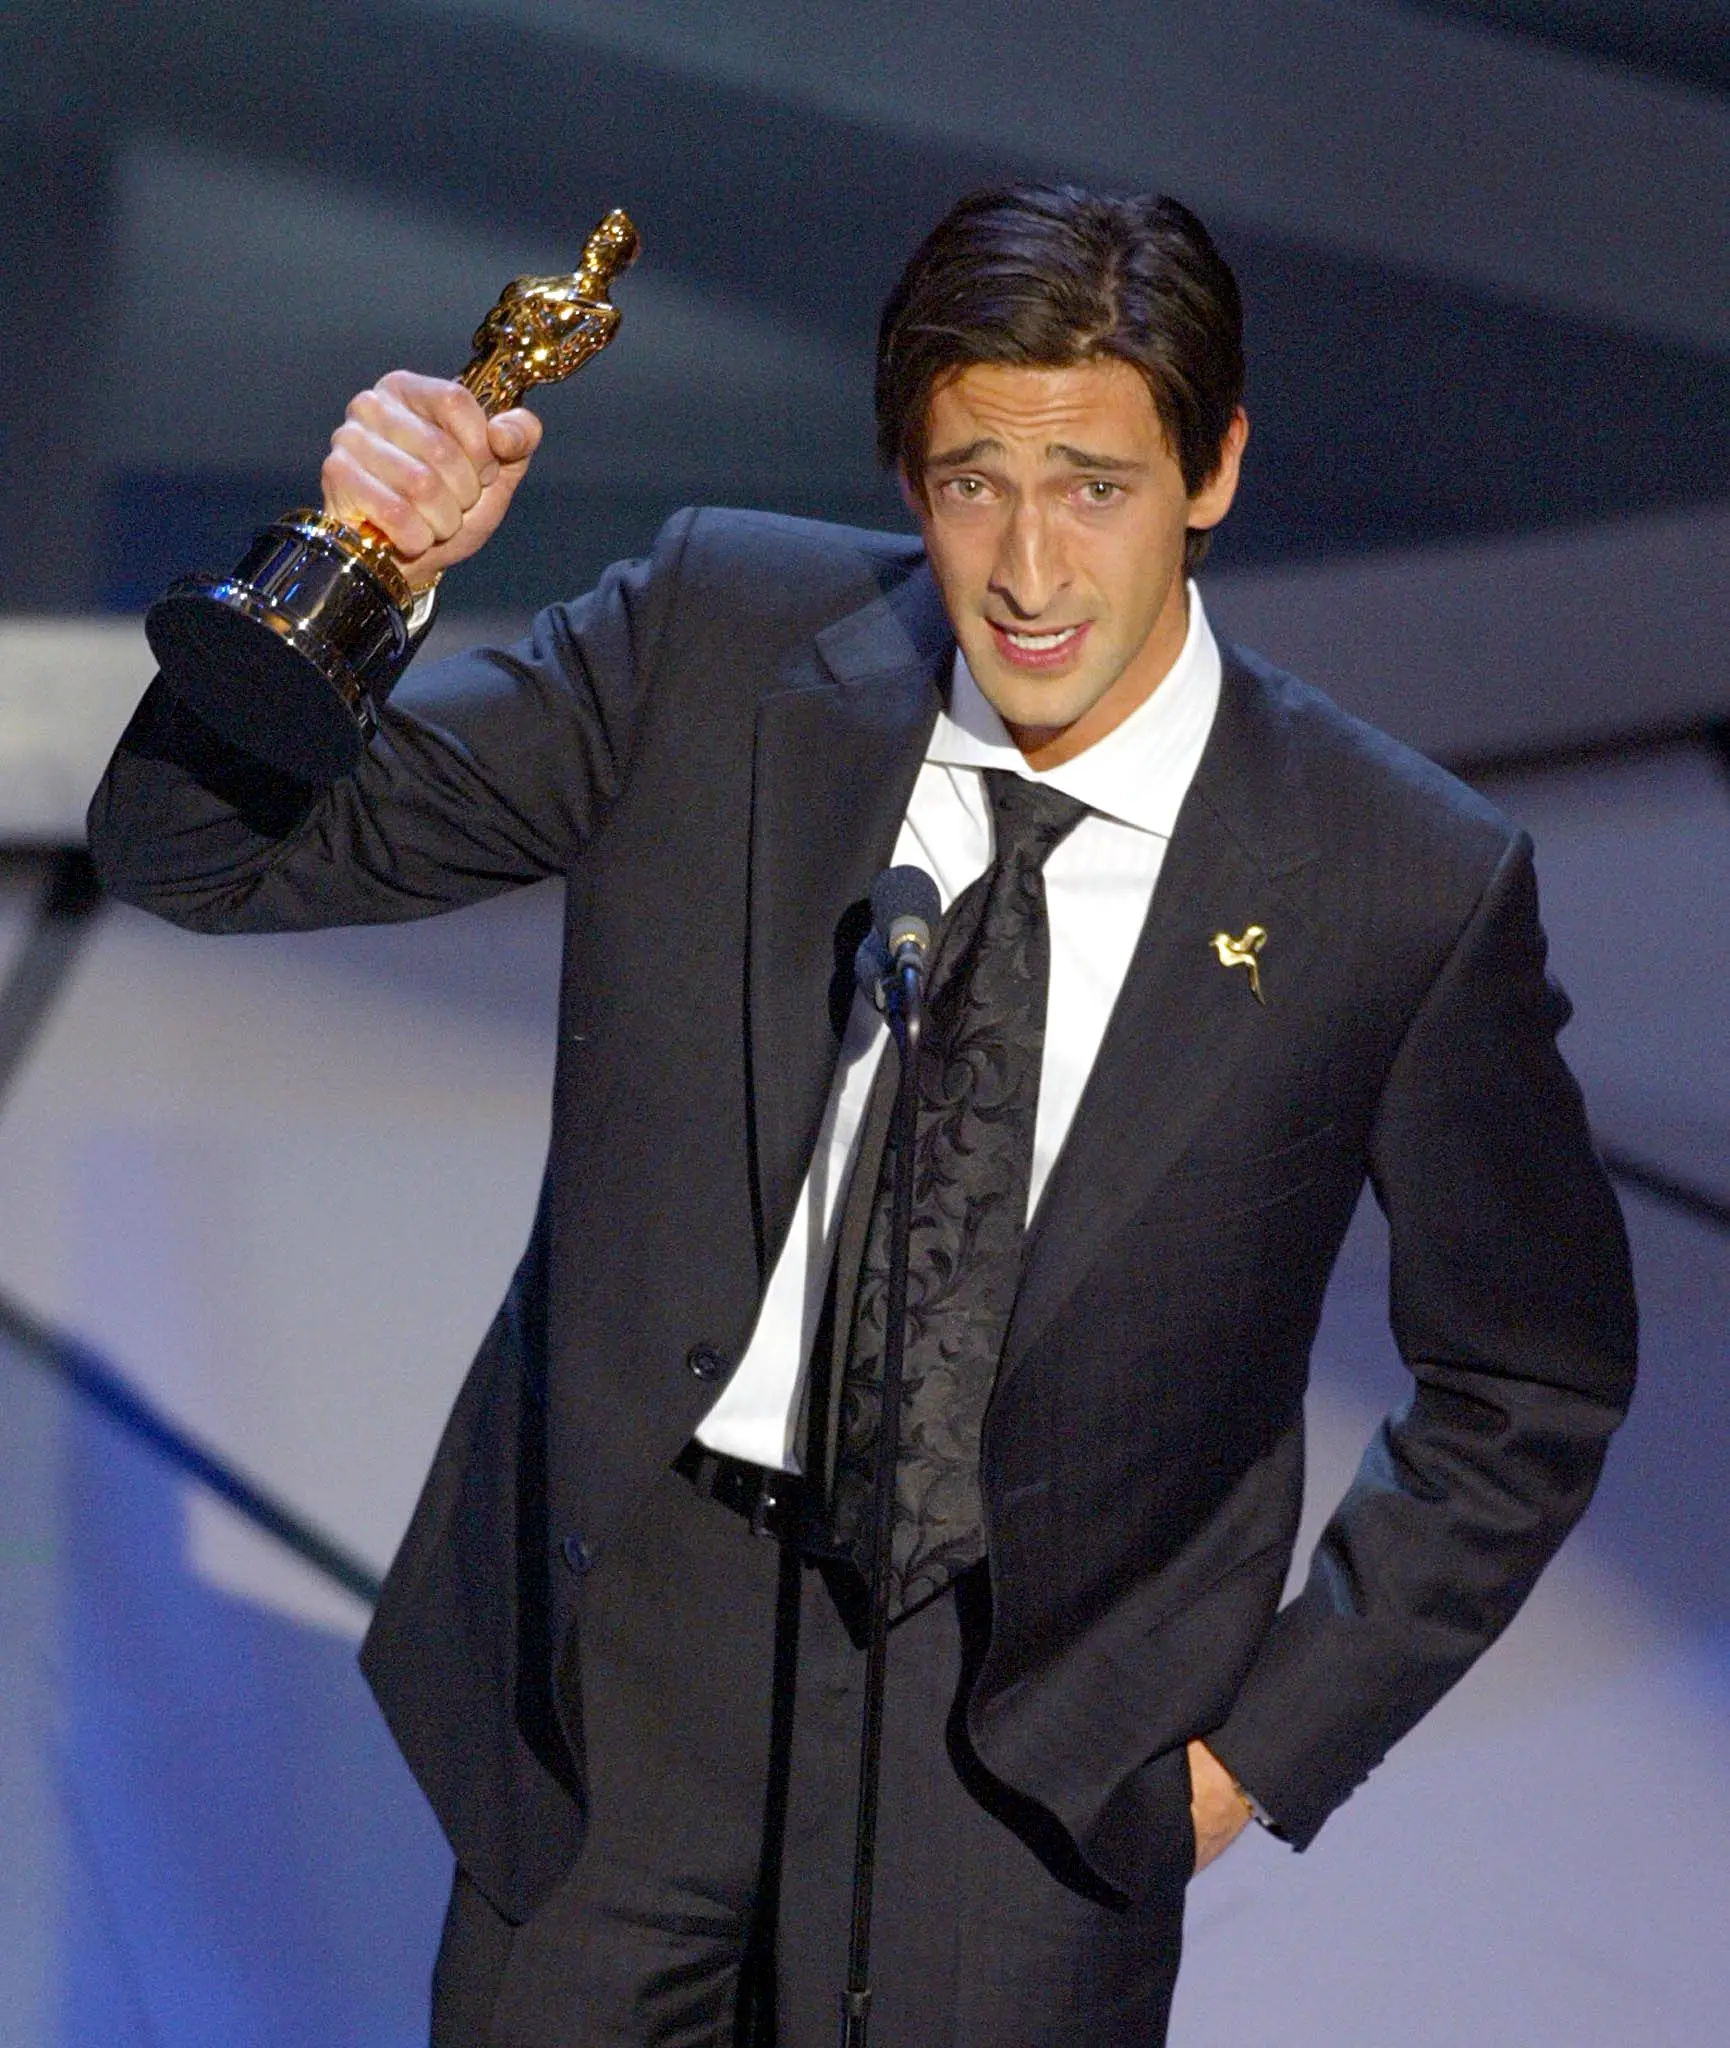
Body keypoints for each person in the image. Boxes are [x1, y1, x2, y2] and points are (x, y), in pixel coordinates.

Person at [87, 185, 1637, 2046]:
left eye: (1094, 487)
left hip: (1024, 1759)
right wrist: (359, 577)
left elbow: (1525, 1385)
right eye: (973, 480)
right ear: (907, 473)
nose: (1029, 572)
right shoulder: (718, 644)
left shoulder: (1394, 876)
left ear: (1212, 471)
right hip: (629, 1692)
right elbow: (193, 858)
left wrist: (1248, 1758)